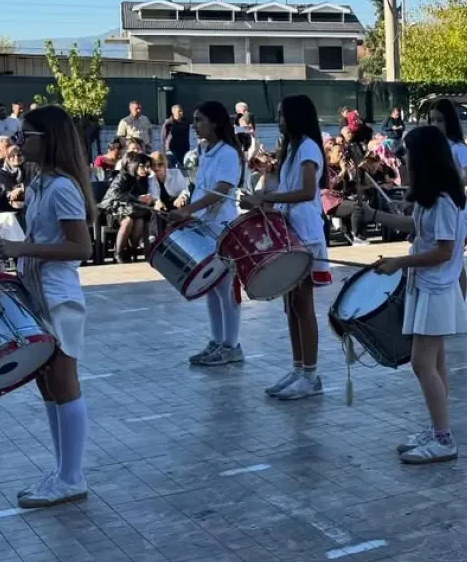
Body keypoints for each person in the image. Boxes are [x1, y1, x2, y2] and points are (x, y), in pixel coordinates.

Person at [0, 105, 95, 507]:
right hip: (37, 291)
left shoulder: (63, 186)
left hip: (58, 294)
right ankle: (64, 470)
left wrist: (21, 247)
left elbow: (81, 247)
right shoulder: (39, 183)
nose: (19, 142)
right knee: (46, 383)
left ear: (47, 139)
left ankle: (72, 476)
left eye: (26, 135)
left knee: (64, 383)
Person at [349, 127, 467, 464]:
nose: (403, 158)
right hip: (427, 287)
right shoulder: (434, 197)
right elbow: (417, 230)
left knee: (421, 363)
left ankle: (444, 439)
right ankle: (438, 429)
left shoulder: (445, 200)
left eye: (408, 153)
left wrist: (400, 261)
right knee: (436, 361)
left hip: (437, 289)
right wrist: (373, 215)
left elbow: (444, 251)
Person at [244, 95, 329, 400]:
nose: (278, 119)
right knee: (291, 305)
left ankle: (310, 374)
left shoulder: (307, 147)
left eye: (281, 114)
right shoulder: (292, 149)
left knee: (303, 305)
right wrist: (261, 200)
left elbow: (307, 191)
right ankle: (298, 368)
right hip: (291, 228)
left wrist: (267, 199)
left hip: (306, 232)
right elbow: (285, 189)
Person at [171, 102, 244, 366]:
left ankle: (232, 345)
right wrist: (186, 210)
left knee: (227, 289)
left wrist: (190, 209)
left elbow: (221, 190)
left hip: (221, 227)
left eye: (200, 120)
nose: (194, 124)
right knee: (210, 288)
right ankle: (217, 341)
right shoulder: (204, 150)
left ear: (214, 122)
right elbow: (200, 187)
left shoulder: (228, 153)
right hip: (203, 226)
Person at [426, 98, 467, 300]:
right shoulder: (431, 148)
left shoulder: (458, 148)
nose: (435, 125)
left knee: (456, 261)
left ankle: (459, 301)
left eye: (439, 120)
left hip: (453, 208)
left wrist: (450, 184)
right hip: (432, 207)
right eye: (432, 120)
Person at [98, 152, 153, 263]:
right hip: (114, 210)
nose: (146, 169)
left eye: (148, 166)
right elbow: (115, 194)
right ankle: (118, 252)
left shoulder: (144, 180)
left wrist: (145, 199)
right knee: (127, 221)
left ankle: (132, 250)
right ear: (135, 165)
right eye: (143, 166)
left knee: (140, 222)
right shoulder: (122, 177)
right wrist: (137, 198)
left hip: (133, 211)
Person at [161, 104, 190, 169]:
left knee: (184, 169)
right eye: (179, 111)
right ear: (173, 112)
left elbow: (187, 137)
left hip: (184, 150)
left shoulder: (185, 123)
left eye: (182, 111)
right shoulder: (168, 123)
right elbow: (163, 138)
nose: (181, 113)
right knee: (174, 169)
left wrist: (188, 149)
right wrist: (164, 153)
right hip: (172, 151)